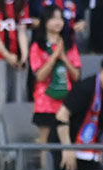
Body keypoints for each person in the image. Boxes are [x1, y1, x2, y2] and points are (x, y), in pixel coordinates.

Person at [29, 4, 81, 150]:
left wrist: (64, 58)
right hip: (45, 101)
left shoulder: (70, 45)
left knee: (66, 143)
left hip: (66, 101)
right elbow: (40, 76)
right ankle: (45, 166)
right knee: (46, 145)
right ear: (45, 21)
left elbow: (76, 76)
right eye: (53, 18)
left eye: (60, 18)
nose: (58, 22)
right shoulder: (37, 46)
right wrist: (54, 57)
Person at [0, 0, 33, 144]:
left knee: (18, 95)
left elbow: (22, 31)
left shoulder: (22, 3)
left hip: (17, 58)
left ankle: (16, 135)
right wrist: (6, 54)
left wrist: (24, 55)